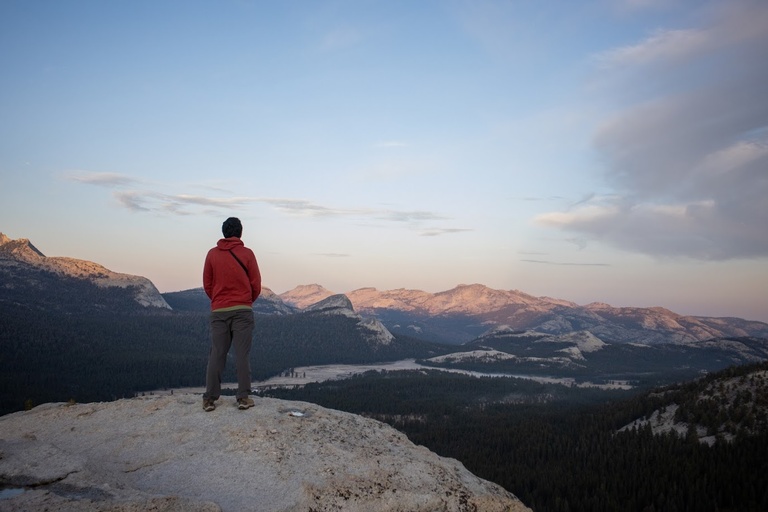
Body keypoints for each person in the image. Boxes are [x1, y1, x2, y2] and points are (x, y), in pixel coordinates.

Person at [202, 217, 262, 411]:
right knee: (242, 355)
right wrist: (245, 301)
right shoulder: (247, 254)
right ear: (240, 232)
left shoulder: (212, 254)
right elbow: (256, 284)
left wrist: (219, 300)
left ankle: (209, 399)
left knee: (217, 353)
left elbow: (207, 284)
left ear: (223, 232)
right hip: (243, 311)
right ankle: (243, 397)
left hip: (219, 311)